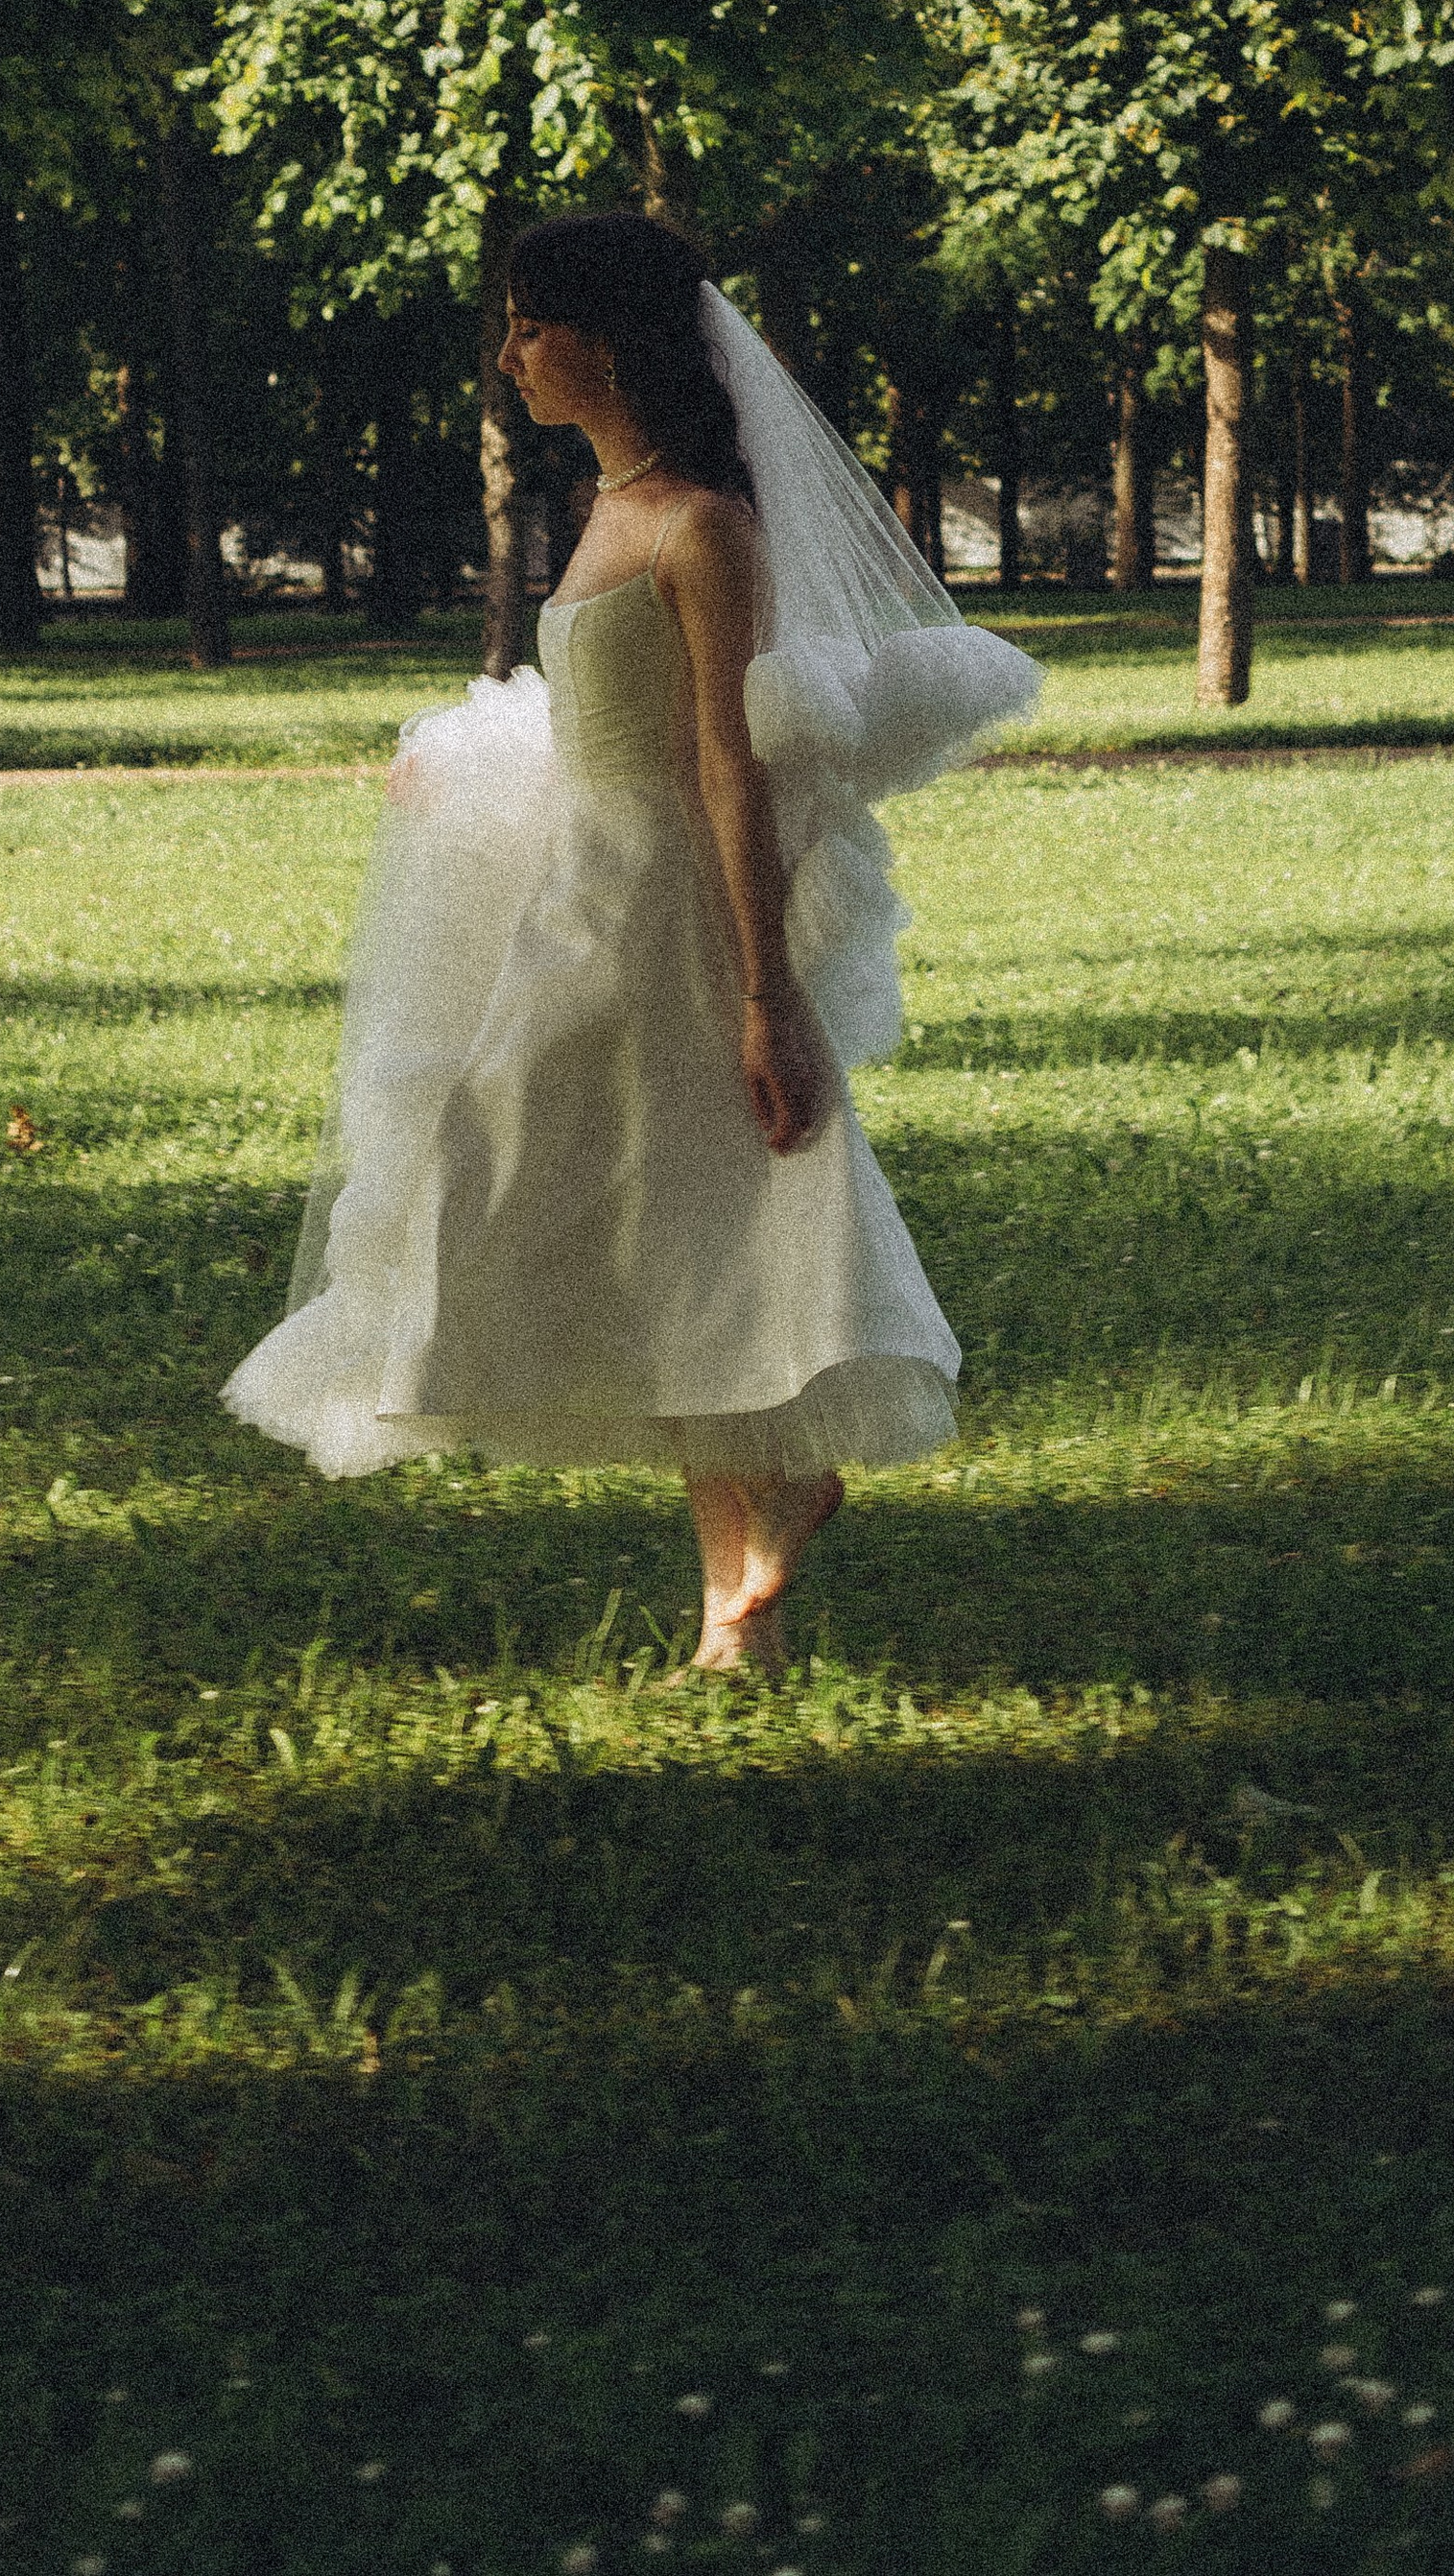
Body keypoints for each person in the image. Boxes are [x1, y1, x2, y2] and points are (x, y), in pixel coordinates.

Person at [223, 211, 1037, 1672]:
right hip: (577, 888)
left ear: (609, 339)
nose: (512, 351)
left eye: (535, 322)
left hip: (669, 913)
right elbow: (602, 715)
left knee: (638, 1184)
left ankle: (766, 1521)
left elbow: (730, 760)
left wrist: (766, 993)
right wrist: (467, 767)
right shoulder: (609, 508)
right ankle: (741, 1579)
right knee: (636, 1209)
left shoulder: (706, 525)